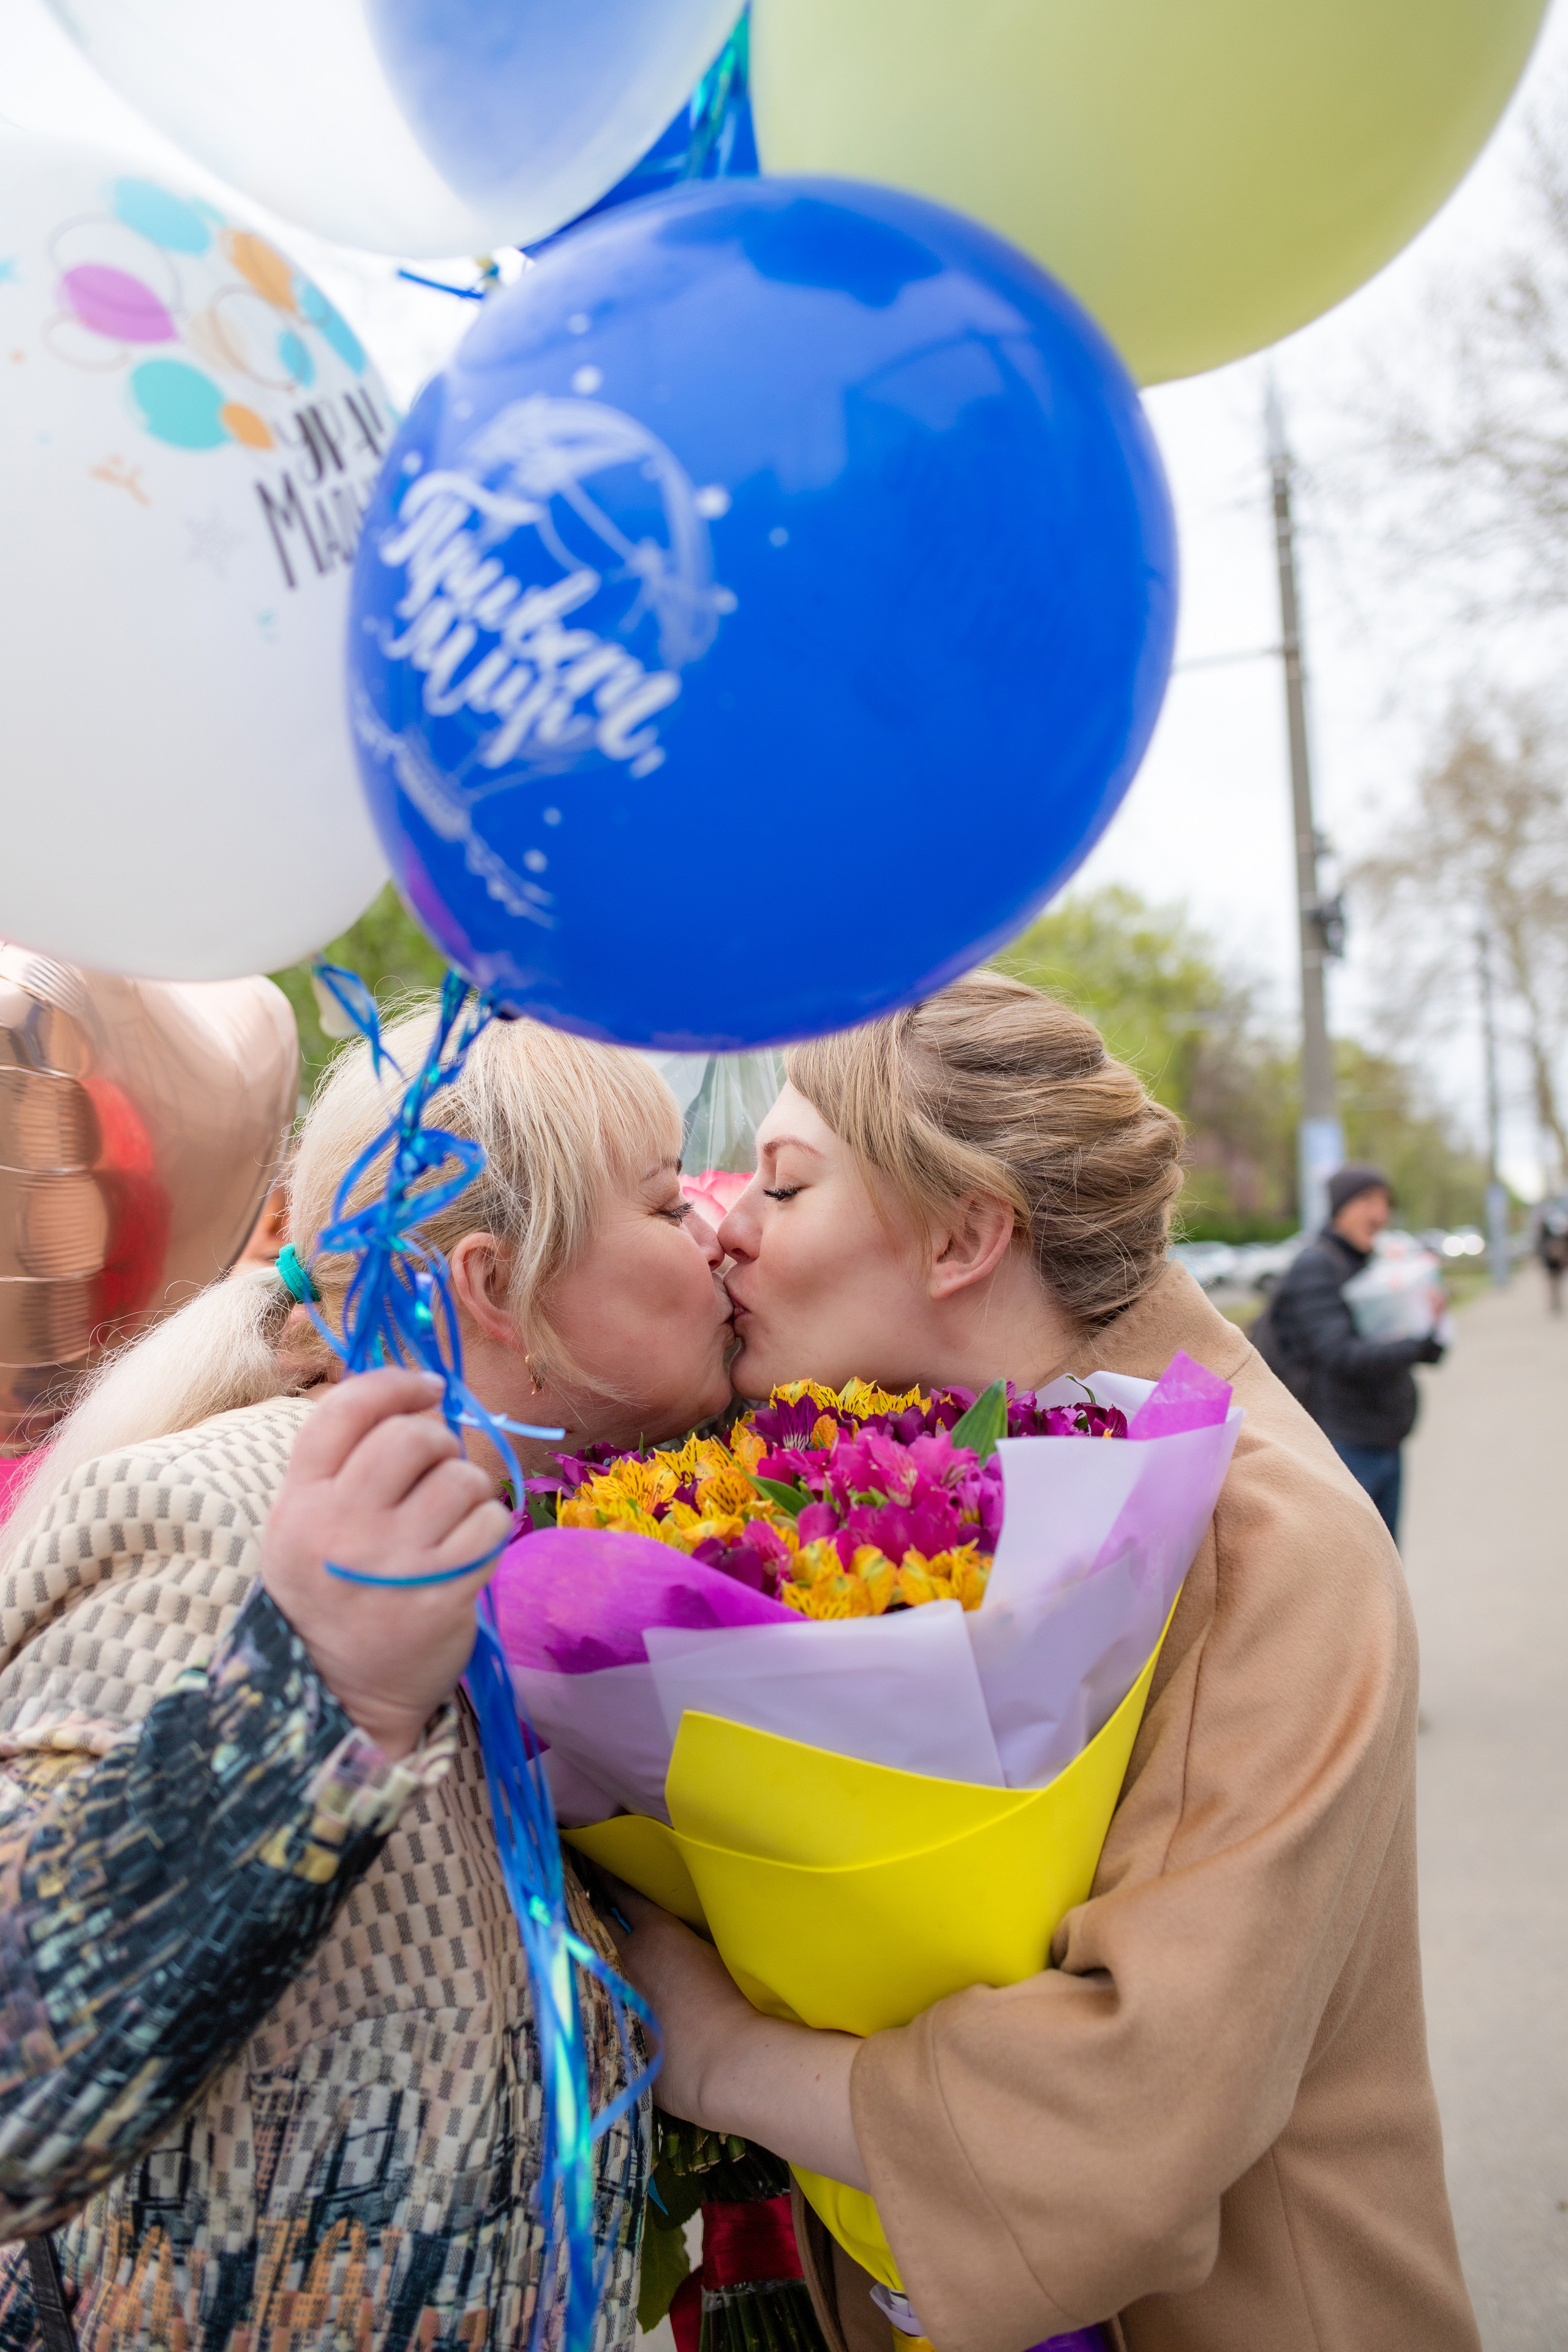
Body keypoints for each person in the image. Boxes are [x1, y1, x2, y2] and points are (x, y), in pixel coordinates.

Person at [611, 970, 1479, 2352]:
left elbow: (1139, 2101)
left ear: (963, 1233)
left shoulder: (1261, 1537)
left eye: (782, 1187)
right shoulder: (889, 1478)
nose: (726, 1227)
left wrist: (719, 2057)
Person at [0, 1004, 734, 2352]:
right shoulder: (219, 1514)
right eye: (664, 1202)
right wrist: (312, 1695)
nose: (716, 1235)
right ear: (493, 1282)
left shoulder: (552, 1545)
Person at [1260, 1162, 1443, 1542]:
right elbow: (1339, 1353)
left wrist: (1428, 1326)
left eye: (1385, 1203)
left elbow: (1389, 1338)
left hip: (1384, 1437)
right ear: (1340, 1208)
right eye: (1367, 1201)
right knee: (1358, 1574)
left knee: (1387, 1566)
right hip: (1345, 1442)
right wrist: (1417, 1346)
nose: (1380, 1213)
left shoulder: (1372, 1262)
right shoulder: (1317, 1266)